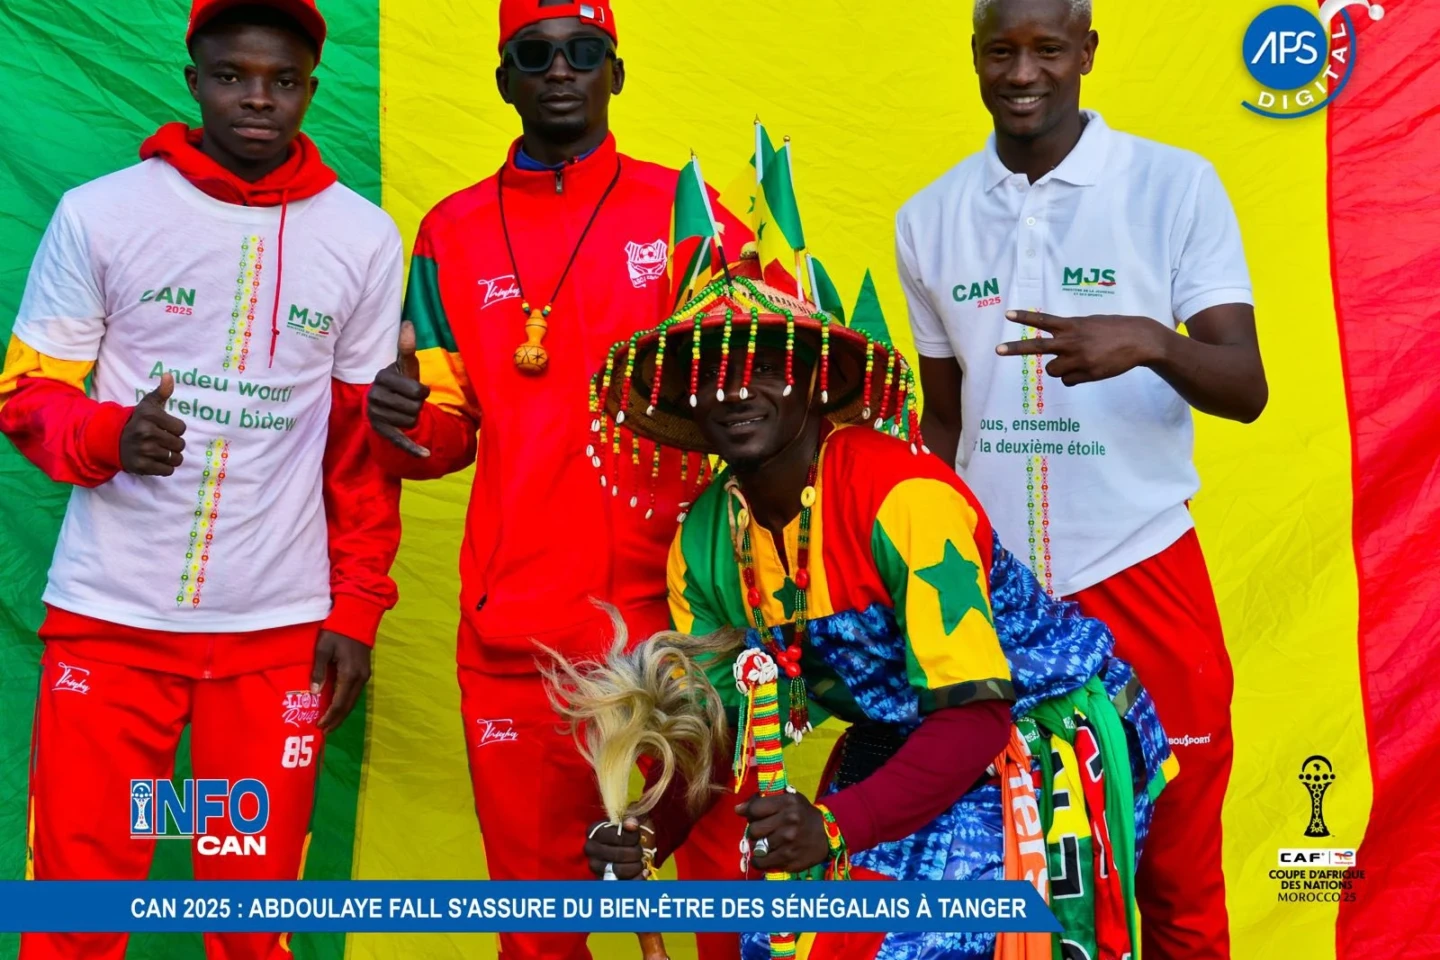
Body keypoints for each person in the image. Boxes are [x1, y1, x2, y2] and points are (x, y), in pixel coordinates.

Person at [568, 253, 1177, 959]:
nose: (736, 392)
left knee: (914, 947)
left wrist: (832, 826)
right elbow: (719, 735)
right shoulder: (703, 543)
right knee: (777, 944)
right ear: (685, 398)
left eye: (763, 365)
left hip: (1038, 738)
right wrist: (643, 828)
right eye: (711, 375)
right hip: (904, 738)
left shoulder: (903, 496)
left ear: (812, 382)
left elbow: (977, 715)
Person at [0, 1, 402, 957]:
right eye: (232, 76)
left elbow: (358, 452)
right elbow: (26, 392)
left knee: (251, 918)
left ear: (311, 86)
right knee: (78, 908)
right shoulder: (101, 212)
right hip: (114, 613)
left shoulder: (363, 236)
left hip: (276, 635)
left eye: (282, 80)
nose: (256, 100)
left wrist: (355, 611)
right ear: (194, 80)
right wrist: (108, 434)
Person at [363, 2, 752, 957]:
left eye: (585, 52)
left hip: (686, 629)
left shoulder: (689, 216)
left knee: (720, 916)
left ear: (616, 72)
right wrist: (404, 422)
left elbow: (768, 394)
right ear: (504, 79)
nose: (560, 70)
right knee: (538, 931)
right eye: (534, 55)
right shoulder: (449, 232)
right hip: (521, 636)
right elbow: (447, 432)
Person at [895, 0, 1268, 955]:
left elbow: (1246, 387)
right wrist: (914, 569)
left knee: (1175, 863)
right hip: (993, 593)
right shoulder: (928, 219)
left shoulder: (1173, 186)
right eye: (1000, 51)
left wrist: (1147, 341)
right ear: (974, 58)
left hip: (1142, 566)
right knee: (1019, 866)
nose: (1023, 74)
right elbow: (945, 418)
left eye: (1048, 50)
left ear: (1087, 54)